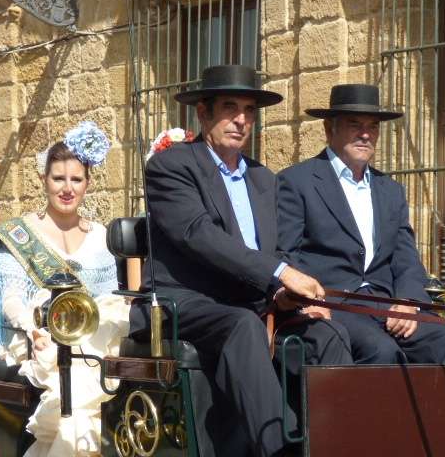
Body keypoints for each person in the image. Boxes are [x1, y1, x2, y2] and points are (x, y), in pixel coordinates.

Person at [130, 64, 352, 457]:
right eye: (230, 108)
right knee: (242, 325)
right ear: (203, 113)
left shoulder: (263, 179)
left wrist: (284, 294)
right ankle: (279, 451)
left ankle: (336, 446)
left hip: (254, 303)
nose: (241, 119)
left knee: (329, 333)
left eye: (249, 110)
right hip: (186, 302)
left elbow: (275, 249)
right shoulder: (171, 166)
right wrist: (280, 273)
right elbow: (199, 235)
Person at [277, 83, 445, 364]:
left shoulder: (390, 190)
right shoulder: (297, 181)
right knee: (381, 351)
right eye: (354, 124)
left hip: (387, 305)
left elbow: (406, 259)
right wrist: (305, 302)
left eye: (373, 126)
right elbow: (285, 253)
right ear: (329, 129)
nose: (365, 134)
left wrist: (408, 302)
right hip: (333, 305)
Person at [0, 121, 128, 456]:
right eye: (58, 178)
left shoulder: (100, 237)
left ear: (88, 183)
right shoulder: (20, 233)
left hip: (92, 337)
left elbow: (109, 299)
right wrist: (33, 328)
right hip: (36, 337)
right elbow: (10, 298)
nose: (67, 188)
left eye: (76, 179)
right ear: (44, 180)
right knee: (71, 372)